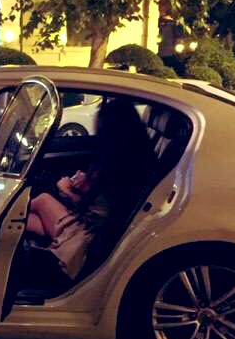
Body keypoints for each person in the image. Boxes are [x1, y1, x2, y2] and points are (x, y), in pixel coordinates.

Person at [25, 98, 157, 279]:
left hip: (90, 236)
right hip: (89, 226)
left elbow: (100, 214)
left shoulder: (121, 165)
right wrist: (86, 183)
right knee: (28, 220)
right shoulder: (133, 156)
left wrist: (66, 189)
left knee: (41, 201)